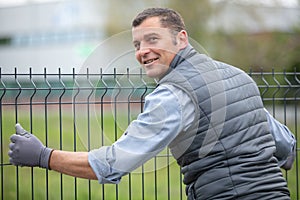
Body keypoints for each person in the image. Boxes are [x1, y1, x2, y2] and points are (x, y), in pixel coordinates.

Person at [8, 7, 296, 199]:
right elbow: (285, 147)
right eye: (136, 45)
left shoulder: (173, 94)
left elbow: (112, 164)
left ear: (181, 39)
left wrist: (43, 156)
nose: (143, 51)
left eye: (152, 39)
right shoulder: (238, 76)